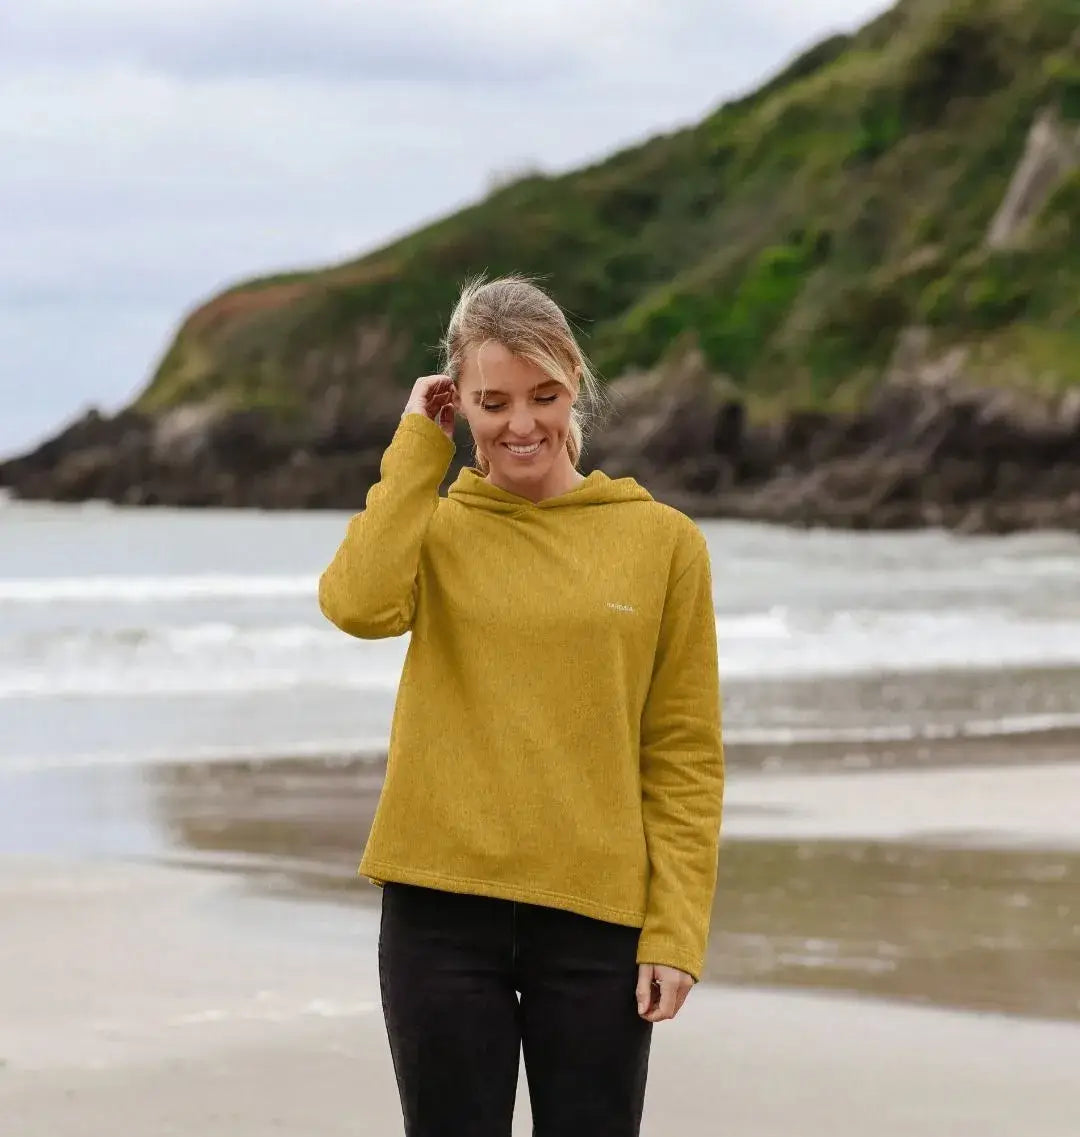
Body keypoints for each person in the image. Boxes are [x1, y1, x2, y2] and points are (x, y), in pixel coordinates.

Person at [318, 273, 724, 1137]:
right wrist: (415, 449)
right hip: (439, 911)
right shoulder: (435, 528)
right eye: (492, 401)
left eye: (543, 394)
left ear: (574, 381)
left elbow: (683, 751)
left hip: (597, 919)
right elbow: (357, 603)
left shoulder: (662, 542)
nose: (521, 424)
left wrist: (676, 930)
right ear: (457, 402)